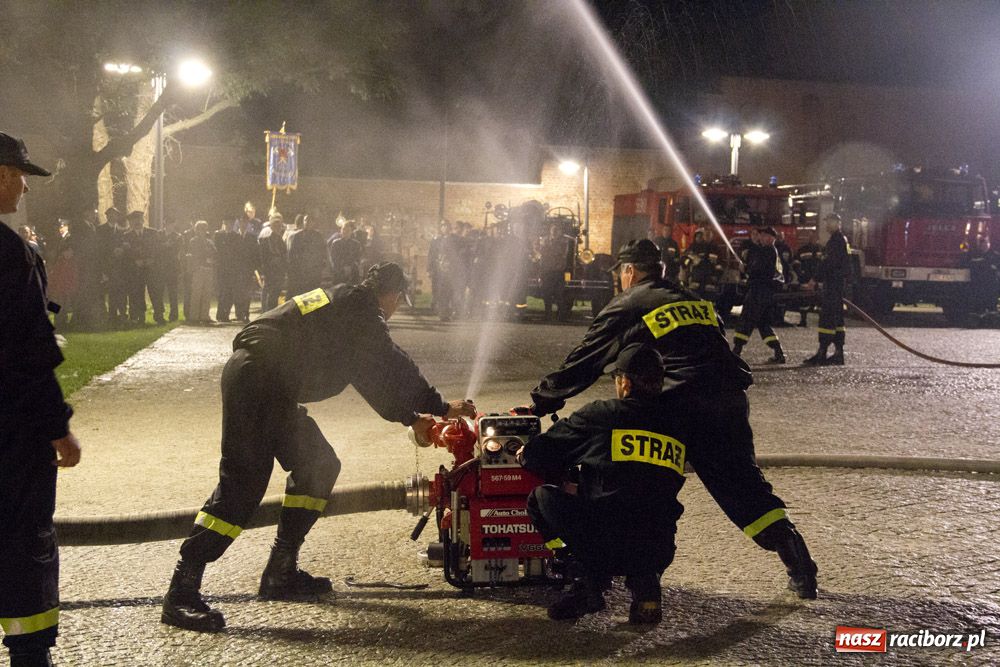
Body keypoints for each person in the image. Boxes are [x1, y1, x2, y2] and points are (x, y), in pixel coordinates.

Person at [161, 262, 477, 633]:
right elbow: (388, 363)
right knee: (242, 486)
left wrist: (411, 416)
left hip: (270, 384)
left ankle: (281, 569)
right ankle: (181, 591)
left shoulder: (346, 302)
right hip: (256, 381)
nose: (394, 310)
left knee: (319, 465)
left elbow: (368, 375)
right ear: (391, 296)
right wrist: (439, 407)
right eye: (398, 302)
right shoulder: (361, 310)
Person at [526, 239, 818, 603]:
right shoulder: (696, 301)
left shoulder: (631, 301)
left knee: (622, 472)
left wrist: (542, 401)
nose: (620, 280)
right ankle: (797, 561)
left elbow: (588, 357)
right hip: (730, 399)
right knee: (742, 484)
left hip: (682, 401)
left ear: (629, 271)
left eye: (621, 274)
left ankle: (594, 572)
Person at [0, 132, 82, 667]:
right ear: (2, 174)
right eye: (21, 174)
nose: (26, 186)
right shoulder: (11, 254)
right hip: (10, 436)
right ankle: (30, 655)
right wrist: (59, 427)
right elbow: (27, 353)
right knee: (23, 544)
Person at [732, 226, 786, 364]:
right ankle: (779, 352)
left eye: (764, 235)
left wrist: (746, 269)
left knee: (746, 319)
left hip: (758, 291)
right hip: (766, 292)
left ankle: (736, 351)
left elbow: (758, 270)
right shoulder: (771, 251)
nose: (761, 237)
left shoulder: (766, 251)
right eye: (760, 235)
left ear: (771, 238)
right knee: (763, 323)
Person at [804, 215, 850, 365]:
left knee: (827, 318)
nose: (827, 225)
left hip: (833, 285)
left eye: (829, 222)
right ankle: (838, 353)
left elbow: (828, 263)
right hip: (837, 285)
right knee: (837, 320)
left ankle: (822, 353)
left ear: (838, 223)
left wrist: (815, 279)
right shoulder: (841, 240)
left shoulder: (836, 241)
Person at [285, 214, 328, 298]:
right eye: (305, 220)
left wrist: (320, 265)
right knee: (301, 295)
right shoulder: (297, 236)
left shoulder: (318, 236)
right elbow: (292, 253)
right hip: (300, 272)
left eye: (309, 221)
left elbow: (322, 251)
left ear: (313, 223)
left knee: (313, 295)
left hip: (314, 272)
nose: (307, 222)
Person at [792, 231, 823, 327]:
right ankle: (803, 320)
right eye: (811, 237)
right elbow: (796, 263)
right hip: (806, 279)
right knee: (804, 301)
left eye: (815, 237)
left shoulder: (822, 250)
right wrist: (801, 275)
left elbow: (825, 265)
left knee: (820, 300)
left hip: (818, 279)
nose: (813, 238)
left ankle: (821, 320)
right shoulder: (802, 250)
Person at [257, 212, 287, 311]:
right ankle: (266, 312)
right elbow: (262, 258)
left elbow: (284, 256)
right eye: (275, 225)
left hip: (279, 272)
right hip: (269, 271)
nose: (278, 227)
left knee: (275, 294)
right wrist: (263, 272)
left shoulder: (281, 241)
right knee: (268, 293)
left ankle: (271, 311)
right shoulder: (266, 240)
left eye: (279, 225)